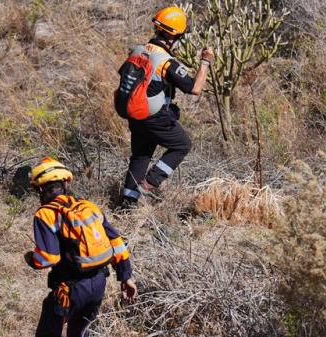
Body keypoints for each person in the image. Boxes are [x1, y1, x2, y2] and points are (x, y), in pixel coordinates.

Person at [24, 157, 137, 337]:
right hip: (99, 284)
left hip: (70, 289)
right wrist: (126, 277)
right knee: (82, 332)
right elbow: (116, 241)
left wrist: (31, 259)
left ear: (40, 189)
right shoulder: (89, 207)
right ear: (65, 184)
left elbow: (48, 258)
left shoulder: (45, 214)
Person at [120, 6, 214, 206]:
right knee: (182, 145)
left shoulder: (138, 50)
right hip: (153, 116)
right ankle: (151, 182)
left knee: (141, 155)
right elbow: (195, 88)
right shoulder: (166, 61)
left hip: (135, 114)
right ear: (174, 36)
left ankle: (126, 203)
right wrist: (205, 62)